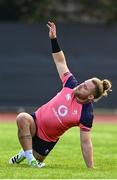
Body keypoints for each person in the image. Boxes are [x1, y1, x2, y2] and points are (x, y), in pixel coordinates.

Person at [9, 21, 112, 168]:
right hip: (35, 123)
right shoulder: (70, 84)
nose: (81, 85)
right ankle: (30, 158)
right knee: (22, 118)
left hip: (47, 140)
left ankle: (25, 153)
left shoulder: (86, 114)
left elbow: (85, 142)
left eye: (85, 87)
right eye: (84, 82)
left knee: (39, 158)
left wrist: (91, 168)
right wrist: (53, 39)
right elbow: (60, 61)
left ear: (90, 97)